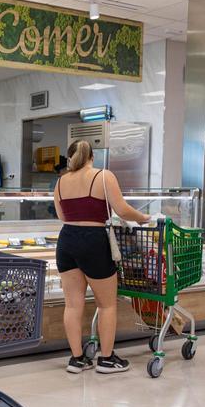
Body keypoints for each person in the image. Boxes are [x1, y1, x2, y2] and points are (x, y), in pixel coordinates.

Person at [53, 140, 150, 375]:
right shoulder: (103, 176)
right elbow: (122, 209)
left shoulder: (60, 181)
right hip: (94, 241)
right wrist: (143, 218)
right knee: (106, 305)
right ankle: (107, 359)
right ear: (92, 157)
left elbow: (60, 214)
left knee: (73, 305)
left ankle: (76, 360)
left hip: (66, 240)